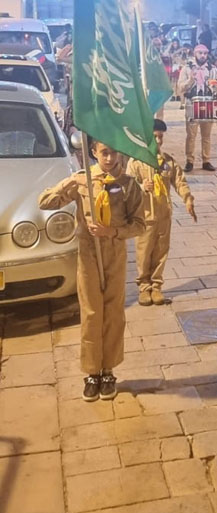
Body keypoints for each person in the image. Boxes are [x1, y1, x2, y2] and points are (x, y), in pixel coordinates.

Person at [38, 139, 145, 401]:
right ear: (94, 153)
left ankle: (108, 369)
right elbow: (45, 202)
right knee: (91, 312)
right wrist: (71, 184)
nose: (109, 158)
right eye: (104, 152)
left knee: (113, 311)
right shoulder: (82, 180)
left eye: (113, 152)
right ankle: (91, 371)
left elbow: (140, 225)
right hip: (88, 253)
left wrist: (113, 232)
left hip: (114, 252)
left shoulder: (128, 185)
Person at [127, 118, 197, 306]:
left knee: (160, 252)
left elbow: (179, 181)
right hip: (145, 217)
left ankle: (156, 286)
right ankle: (144, 287)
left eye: (161, 137)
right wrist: (141, 186)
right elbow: (127, 186)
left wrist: (187, 198)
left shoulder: (167, 162)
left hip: (163, 215)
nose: (158, 141)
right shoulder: (136, 162)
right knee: (144, 254)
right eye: (155, 137)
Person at [178, 43, 217, 171]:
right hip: (192, 103)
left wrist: (213, 85)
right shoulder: (187, 68)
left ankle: (206, 160)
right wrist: (190, 80)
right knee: (191, 135)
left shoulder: (212, 69)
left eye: (205, 53)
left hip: (207, 103)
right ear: (195, 54)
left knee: (206, 135)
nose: (203, 56)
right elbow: (180, 87)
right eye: (200, 53)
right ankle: (189, 160)